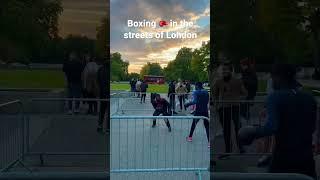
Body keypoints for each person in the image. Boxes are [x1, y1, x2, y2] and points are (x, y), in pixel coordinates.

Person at [239, 63, 317, 179]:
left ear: (278, 77)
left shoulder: (275, 97)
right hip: (306, 155)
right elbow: (312, 127)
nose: (272, 81)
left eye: (272, 77)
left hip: (284, 154)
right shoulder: (309, 98)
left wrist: (252, 131)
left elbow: (272, 127)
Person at [213, 62, 247, 155]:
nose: (224, 71)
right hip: (223, 108)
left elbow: (244, 93)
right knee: (226, 129)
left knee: (238, 128)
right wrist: (216, 105)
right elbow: (214, 94)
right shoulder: (218, 81)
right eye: (223, 70)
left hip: (235, 107)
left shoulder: (237, 81)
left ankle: (240, 146)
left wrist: (239, 99)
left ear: (231, 71)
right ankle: (228, 148)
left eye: (226, 69)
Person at [185, 82, 210, 147]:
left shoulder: (196, 92)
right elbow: (207, 101)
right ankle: (209, 142)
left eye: (195, 86)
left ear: (196, 86)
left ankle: (190, 137)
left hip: (198, 111)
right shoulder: (206, 92)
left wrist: (187, 104)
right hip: (205, 110)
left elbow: (195, 101)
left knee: (194, 124)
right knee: (207, 126)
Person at [97, 59, 108, 133]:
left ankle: (100, 125)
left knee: (102, 110)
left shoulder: (100, 70)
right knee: (108, 111)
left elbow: (98, 81)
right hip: (107, 92)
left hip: (103, 92)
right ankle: (108, 128)